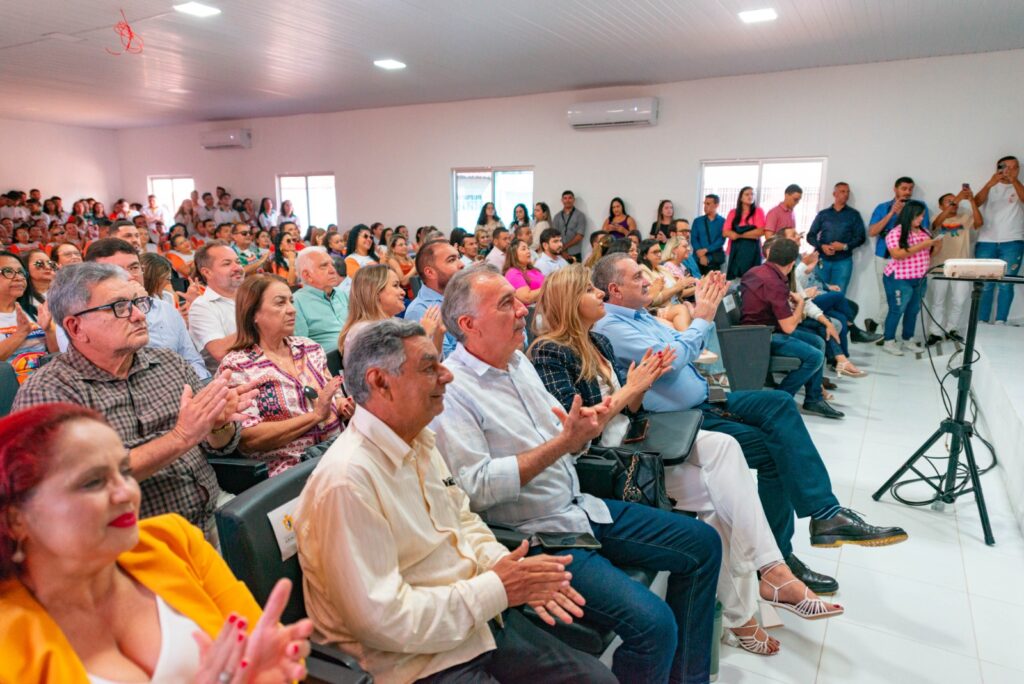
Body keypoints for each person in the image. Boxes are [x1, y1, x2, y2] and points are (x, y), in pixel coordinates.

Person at [431, 263, 722, 684]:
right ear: (468, 324)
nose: (521, 312)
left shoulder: (517, 364)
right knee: (654, 625)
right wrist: (564, 443)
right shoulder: (455, 391)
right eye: (507, 304)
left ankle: (688, 678)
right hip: (536, 535)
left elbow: (564, 437)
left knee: (702, 544)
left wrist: (585, 428)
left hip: (579, 506)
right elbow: (475, 489)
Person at [530, 266, 843, 655]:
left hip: (633, 438)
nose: (599, 295)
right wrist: (635, 385)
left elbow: (634, 404)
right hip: (610, 461)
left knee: (727, 456)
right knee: (720, 502)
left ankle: (771, 573)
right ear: (570, 302)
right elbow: (579, 432)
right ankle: (749, 607)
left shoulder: (598, 342)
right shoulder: (550, 351)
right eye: (590, 290)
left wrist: (640, 386)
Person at [295, 320, 615, 684]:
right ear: (380, 382)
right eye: (429, 367)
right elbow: (385, 620)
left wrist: (506, 567)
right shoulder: (347, 481)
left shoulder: (418, 441)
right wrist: (498, 588)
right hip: (412, 662)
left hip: (473, 621)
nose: (446, 375)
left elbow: (463, 520)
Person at [591, 253, 908, 596]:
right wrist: (702, 318)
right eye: (637, 275)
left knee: (780, 404)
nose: (646, 279)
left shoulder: (641, 316)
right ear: (615, 289)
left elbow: (680, 348)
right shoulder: (611, 326)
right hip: (676, 418)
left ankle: (824, 514)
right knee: (776, 453)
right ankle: (784, 554)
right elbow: (676, 357)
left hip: (706, 399)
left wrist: (691, 329)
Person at [0, 404, 312, 682]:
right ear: (16, 519)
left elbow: (262, 652)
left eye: (124, 472)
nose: (126, 492)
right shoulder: (8, 640)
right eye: (93, 482)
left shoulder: (172, 540)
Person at [11, 263, 254, 539]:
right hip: (130, 541)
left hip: (214, 511)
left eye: (139, 303)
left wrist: (217, 426)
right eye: (119, 307)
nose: (139, 316)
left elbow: (220, 447)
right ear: (76, 327)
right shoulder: (50, 392)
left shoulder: (169, 363)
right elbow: (82, 484)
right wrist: (181, 437)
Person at [219, 276, 352, 476]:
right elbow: (248, 439)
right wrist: (315, 417)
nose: (292, 309)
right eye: (280, 303)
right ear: (253, 313)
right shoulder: (237, 365)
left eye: (291, 301)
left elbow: (333, 397)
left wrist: (343, 405)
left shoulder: (309, 347)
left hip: (341, 453)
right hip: (292, 472)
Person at [74, 239, 210, 379]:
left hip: (182, 390)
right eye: (117, 271)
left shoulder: (166, 310)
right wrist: (133, 304)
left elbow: (193, 361)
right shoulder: (87, 318)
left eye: (134, 268)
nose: (130, 276)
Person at [739, 239, 845, 417]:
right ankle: (779, 398)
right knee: (815, 356)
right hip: (761, 336)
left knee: (818, 341)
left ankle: (814, 399)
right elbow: (788, 327)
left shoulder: (756, 271)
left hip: (751, 330)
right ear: (790, 265)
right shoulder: (775, 282)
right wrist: (801, 303)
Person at [880, 201, 941, 355]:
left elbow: (929, 254)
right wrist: (923, 245)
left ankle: (908, 339)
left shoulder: (925, 232)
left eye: (922, 216)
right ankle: (889, 341)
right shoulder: (896, 232)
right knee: (897, 309)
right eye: (919, 216)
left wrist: (937, 245)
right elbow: (897, 254)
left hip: (919, 278)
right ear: (910, 215)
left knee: (913, 310)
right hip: (899, 278)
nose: (921, 219)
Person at [868, 177, 930, 328]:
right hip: (884, 256)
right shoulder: (882, 207)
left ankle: (883, 327)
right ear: (895, 189)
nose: (907, 192)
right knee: (886, 296)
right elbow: (872, 232)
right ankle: (883, 331)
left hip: (909, 260)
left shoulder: (920, 208)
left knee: (909, 300)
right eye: (904, 188)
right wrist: (892, 214)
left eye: (910, 189)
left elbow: (925, 233)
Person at [926, 189, 983, 344]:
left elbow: (979, 223)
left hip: (962, 266)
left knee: (959, 300)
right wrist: (957, 197)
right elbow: (937, 224)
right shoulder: (934, 218)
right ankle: (935, 332)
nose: (954, 204)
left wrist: (971, 201)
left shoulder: (965, 217)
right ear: (940, 206)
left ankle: (952, 330)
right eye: (949, 201)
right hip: (939, 266)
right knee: (938, 301)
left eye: (956, 202)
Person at [974, 155, 1024, 324]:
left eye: (1014, 167)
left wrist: (1014, 181)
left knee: (1006, 283)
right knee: (985, 283)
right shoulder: (991, 186)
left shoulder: (1019, 187)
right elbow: (976, 202)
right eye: (1005, 167)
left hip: (1012, 241)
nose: (1009, 171)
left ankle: (1001, 321)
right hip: (986, 241)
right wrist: (990, 183)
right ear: (998, 169)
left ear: (1018, 170)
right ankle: (982, 321)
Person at [0, 251, 57, 383]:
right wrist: (20, 334)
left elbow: (56, 353)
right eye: (8, 271)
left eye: (21, 272)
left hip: (45, 384)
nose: (19, 277)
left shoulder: (34, 311)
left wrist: (49, 330)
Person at [189, 241, 243, 374]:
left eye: (238, 261)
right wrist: (258, 323)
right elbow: (220, 352)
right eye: (227, 263)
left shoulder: (253, 297)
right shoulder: (202, 306)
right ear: (207, 272)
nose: (237, 267)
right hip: (234, 382)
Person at [805, 182, 867, 296]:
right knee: (817, 293)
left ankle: (834, 314)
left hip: (843, 261)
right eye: (843, 191)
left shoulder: (854, 215)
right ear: (835, 193)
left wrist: (844, 246)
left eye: (847, 192)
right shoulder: (823, 214)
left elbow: (861, 237)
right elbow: (810, 236)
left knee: (838, 294)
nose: (846, 195)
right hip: (821, 261)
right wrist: (821, 246)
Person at [404, 240, 464, 358]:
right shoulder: (421, 310)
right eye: (451, 260)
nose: (461, 264)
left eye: (458, 258)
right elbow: (446, 360)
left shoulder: (459, 294)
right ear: (430, 272)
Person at [338, 264, 416, 352]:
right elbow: (395, 364)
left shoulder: (394, 322)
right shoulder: (364, 333)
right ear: (375, 293)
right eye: (395, 286)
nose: (403, 292)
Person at [293, 246, 350, 352]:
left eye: (332, 265)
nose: (333, 270)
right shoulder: (296, 302)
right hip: (329, 362)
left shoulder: (343, 294)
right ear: (307, 275)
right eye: (324, 266)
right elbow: (301, 349)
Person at [723, 186, 766, 280]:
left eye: (752, 194)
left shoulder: (758, 211)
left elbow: (761, 231)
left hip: (753, 253)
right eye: (747, 194)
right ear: (741, 198)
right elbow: (725, 232)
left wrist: (739, 235)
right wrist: (750, 234)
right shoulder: (733, 212)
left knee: (752, 281)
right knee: (734, 283)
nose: (750, 196)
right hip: (733, 252)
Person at [639, 238, 690, 308]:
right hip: (662, 310)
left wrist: (681, 285)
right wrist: (676, 288)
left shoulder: (662, 268)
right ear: (645, 255)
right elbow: (653, 300)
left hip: (677, 304)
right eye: (655, 252)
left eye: (660, 251)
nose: (659, 254)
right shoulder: (642, 271)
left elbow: (678, 292)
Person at [691, 194, 726, 275]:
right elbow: (694, 239)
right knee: (696, 284)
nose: (705, 206)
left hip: (714, 259)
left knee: (713, 285)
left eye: (708, 204)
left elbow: (721, 240)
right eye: (704, 203)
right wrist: (701, 256)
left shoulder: (723, 221)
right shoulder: (697, 221)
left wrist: (706, 250)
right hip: (697, 259)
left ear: (716, 205)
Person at [502, 238, 544, 305]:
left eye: (528, 248)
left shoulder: (533, 270)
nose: (528, 251)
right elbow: (527, 298)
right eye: (524, 249)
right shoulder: (512, 273)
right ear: (514, 254)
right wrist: (548, 287)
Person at [551, 190, 586, 262]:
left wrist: (564, 247)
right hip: (559, 254)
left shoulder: (580, 215)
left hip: (575, 253)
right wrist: (561, 251)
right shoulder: (557, 217)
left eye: (570, 198)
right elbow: (553, 236)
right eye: (565, 198)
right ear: (562, 200)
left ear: (574, 200)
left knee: (576, 273)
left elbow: (580, 236)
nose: (567, 200)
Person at [385, 233, 417, 301]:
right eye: (401, 245)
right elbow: (403, 282)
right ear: (392, 248)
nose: (405, 246)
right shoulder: (392, 260)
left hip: (415, 289)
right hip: (405, 295)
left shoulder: (408, 258)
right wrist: (415, 268)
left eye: (405, 244)